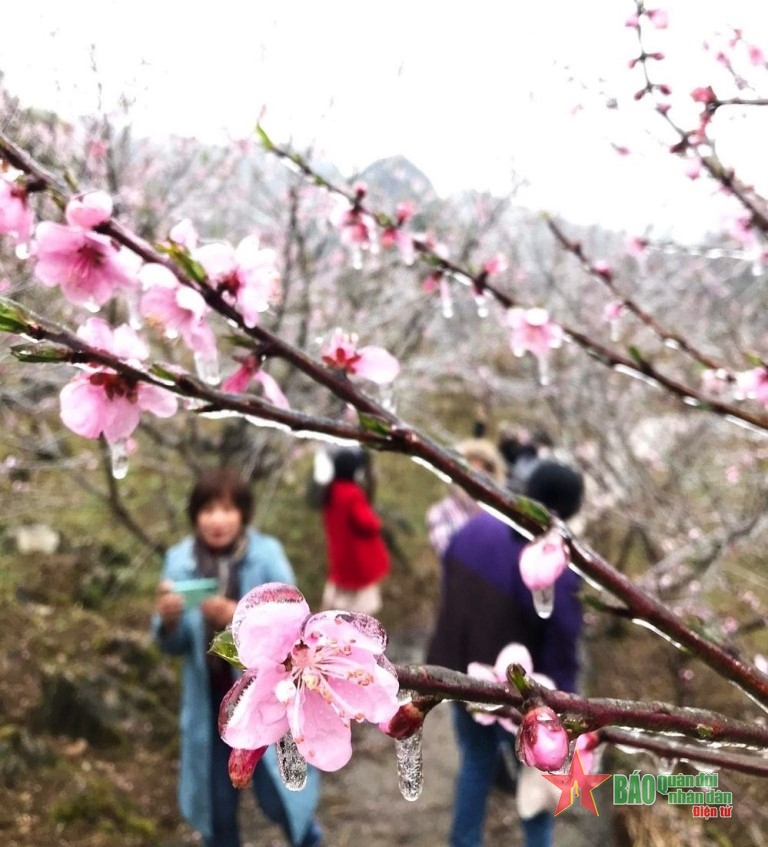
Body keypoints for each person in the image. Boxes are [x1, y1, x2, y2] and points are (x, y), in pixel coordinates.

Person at [152, 468, 323, 847]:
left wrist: (236, 617)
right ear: (195, 515)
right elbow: (172, 644)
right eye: (208, 509)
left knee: (278, 794)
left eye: (228, 509)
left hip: (263, 698)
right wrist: (168, 622)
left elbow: (297, 625)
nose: (218, 519)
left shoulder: (267, 556)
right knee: (216, 805)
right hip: (209, 705)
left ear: (243, 513)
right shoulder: (180, 562)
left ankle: (308, 837)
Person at [426, 460, 585, 847]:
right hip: (519, 695)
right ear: (571, 509)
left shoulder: (476, 526)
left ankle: (464, 840)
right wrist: (560, 710)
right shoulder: (554, 566)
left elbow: (449, 589)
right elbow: (562, 643)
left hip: (457, 673)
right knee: (537, 778)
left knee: (476, 763)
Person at [321, 446, 390, 615]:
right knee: (361, 607)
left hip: (340, 553)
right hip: (358, 557)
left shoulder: (331, 491)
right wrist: (377, 521)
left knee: (339, 596)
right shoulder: (352, 493)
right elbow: (367, 523)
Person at [425, 439, 506, 559]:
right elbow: (449, 552)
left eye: (485, 473)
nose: (478, 480)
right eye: (472, 472)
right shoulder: (441, 512)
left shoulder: (501, 515)